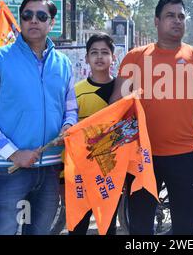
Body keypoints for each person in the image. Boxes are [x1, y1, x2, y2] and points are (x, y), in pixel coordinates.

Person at [110, 0, 193, 235]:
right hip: (142, 159)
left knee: (185, 229)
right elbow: (116, 104)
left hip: (184, 157)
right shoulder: (135, 57)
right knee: (140, 228)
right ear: (156, 21)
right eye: (170, 16)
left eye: (181, 16)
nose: (177, 21)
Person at [0, 0, 78, 235]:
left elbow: (70, 108)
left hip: (51, 169)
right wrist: (14, 153)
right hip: (12, 169)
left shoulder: (63, 64)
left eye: (41, 16)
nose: (33, 20)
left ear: (52, 23)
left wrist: (69, 124)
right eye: (27, 15)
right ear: (21, 19)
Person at [67, 33, 118, 235]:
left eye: (105, 52)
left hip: (111, 170)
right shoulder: (76, 91)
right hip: (80, 172)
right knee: (77, 226)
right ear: (86, 58)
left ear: (113, 57)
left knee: (108, 226)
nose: (99, 57)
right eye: (94, 53)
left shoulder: (122, 90)